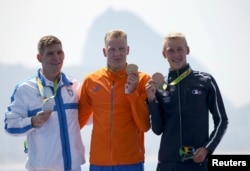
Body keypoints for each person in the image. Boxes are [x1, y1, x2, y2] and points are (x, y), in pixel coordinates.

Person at [146, 32, 228, 171]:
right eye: (170, 50)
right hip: (167, 164)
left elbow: (221, 120)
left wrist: (207, 149)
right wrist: (151, 100)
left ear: (187, 50)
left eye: (180, 49)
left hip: (196, 162)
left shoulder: (205, 81)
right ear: (164, 54)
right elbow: (157, 129)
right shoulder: (160, 86)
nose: (176, 54)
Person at [4, 35, 85, 171]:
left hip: (74, 168)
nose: (56, 57)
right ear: (39, 58)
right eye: (50, 53)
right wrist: (32, 121)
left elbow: (92, 116)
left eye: (59, 52)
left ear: (64, 54)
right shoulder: (25, 90)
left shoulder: (73, 86)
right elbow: (9, 125)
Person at [78, 29, 151, 171]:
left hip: (131, 162)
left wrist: (132, 93)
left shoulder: (143, 80)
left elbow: (144, 125)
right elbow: (76, 123)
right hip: (99, 162)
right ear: (104, 51)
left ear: (128, 50)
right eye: (112, 49)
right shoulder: (91, 81)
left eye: (121, 49)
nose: (117, 53)